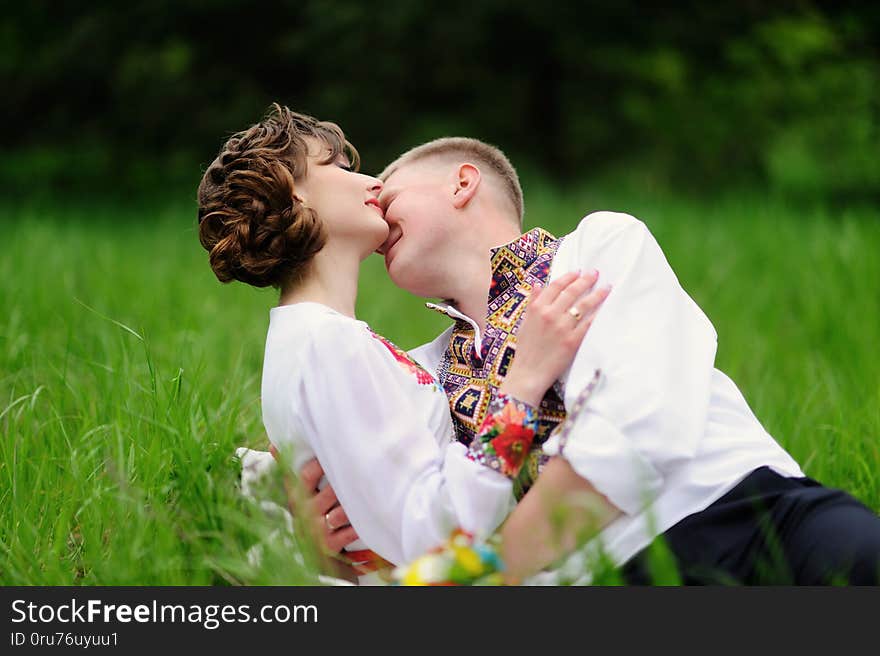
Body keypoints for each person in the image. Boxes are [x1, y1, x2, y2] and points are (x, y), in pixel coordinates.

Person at [357, 136, 880, 584]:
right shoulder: (422, 373)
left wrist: (490, 576)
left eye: (390, 196)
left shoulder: (596, 248)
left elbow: (639, 426)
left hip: (741, 506)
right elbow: (418, 514)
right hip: (604, 574)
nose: (377, 226)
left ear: (461, 183)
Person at [195, 105, 610, 581]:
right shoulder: (327, 343)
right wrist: (522, 387)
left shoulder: (315, 339)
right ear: (290, 189)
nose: (374, 185)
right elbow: (436, 531)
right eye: (339, 167)